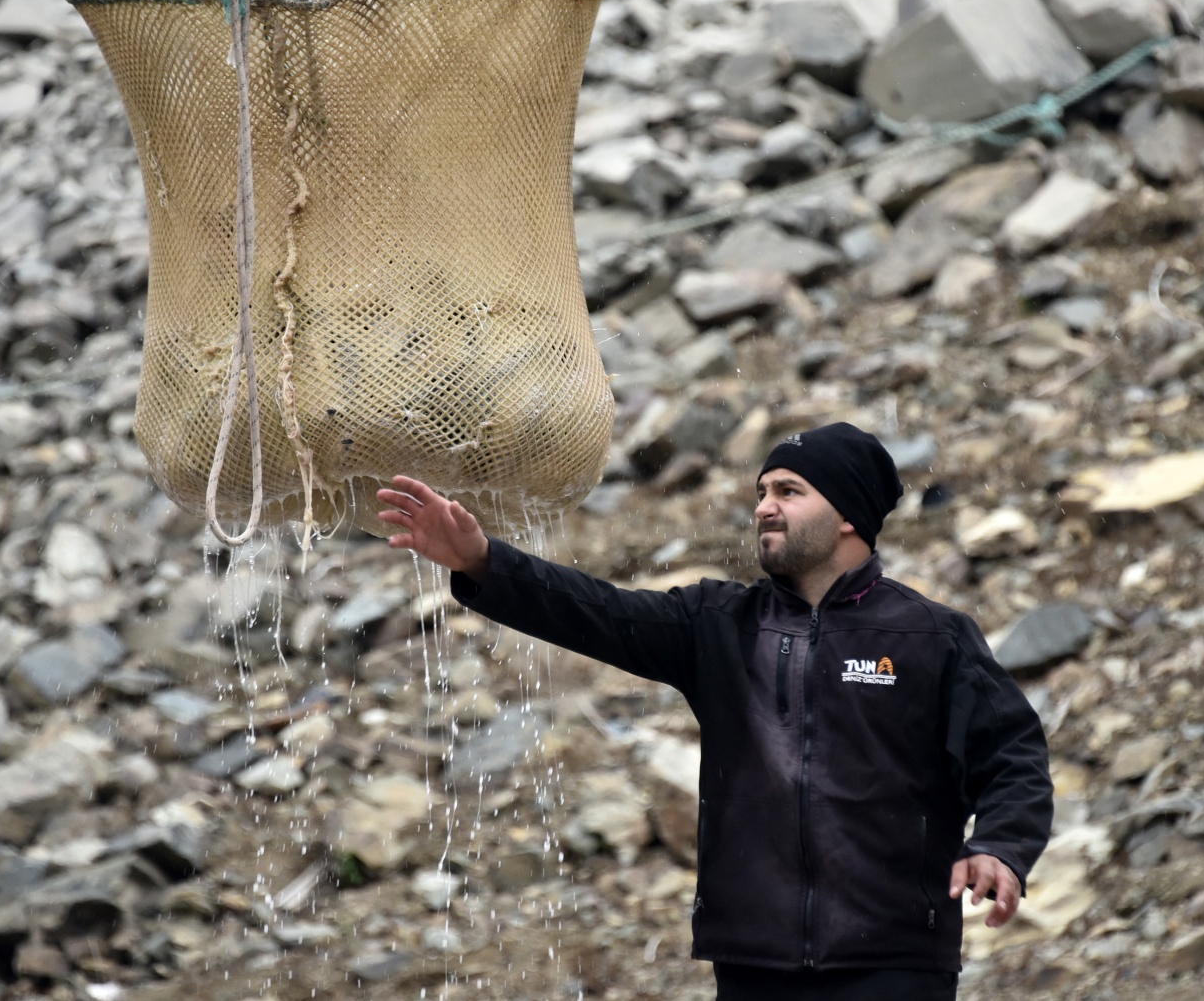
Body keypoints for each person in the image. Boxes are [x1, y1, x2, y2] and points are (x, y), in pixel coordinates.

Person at [378, 422, 1053, 1001]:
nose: (764, 507)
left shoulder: (931, 638)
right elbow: (598, 611)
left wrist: (1000, 846)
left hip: (895, 963)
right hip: (754, 961)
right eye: (761, 492)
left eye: (789, 491)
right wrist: (481, 560)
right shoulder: (720, 623)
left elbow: (1014, 756)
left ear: (848, 513)